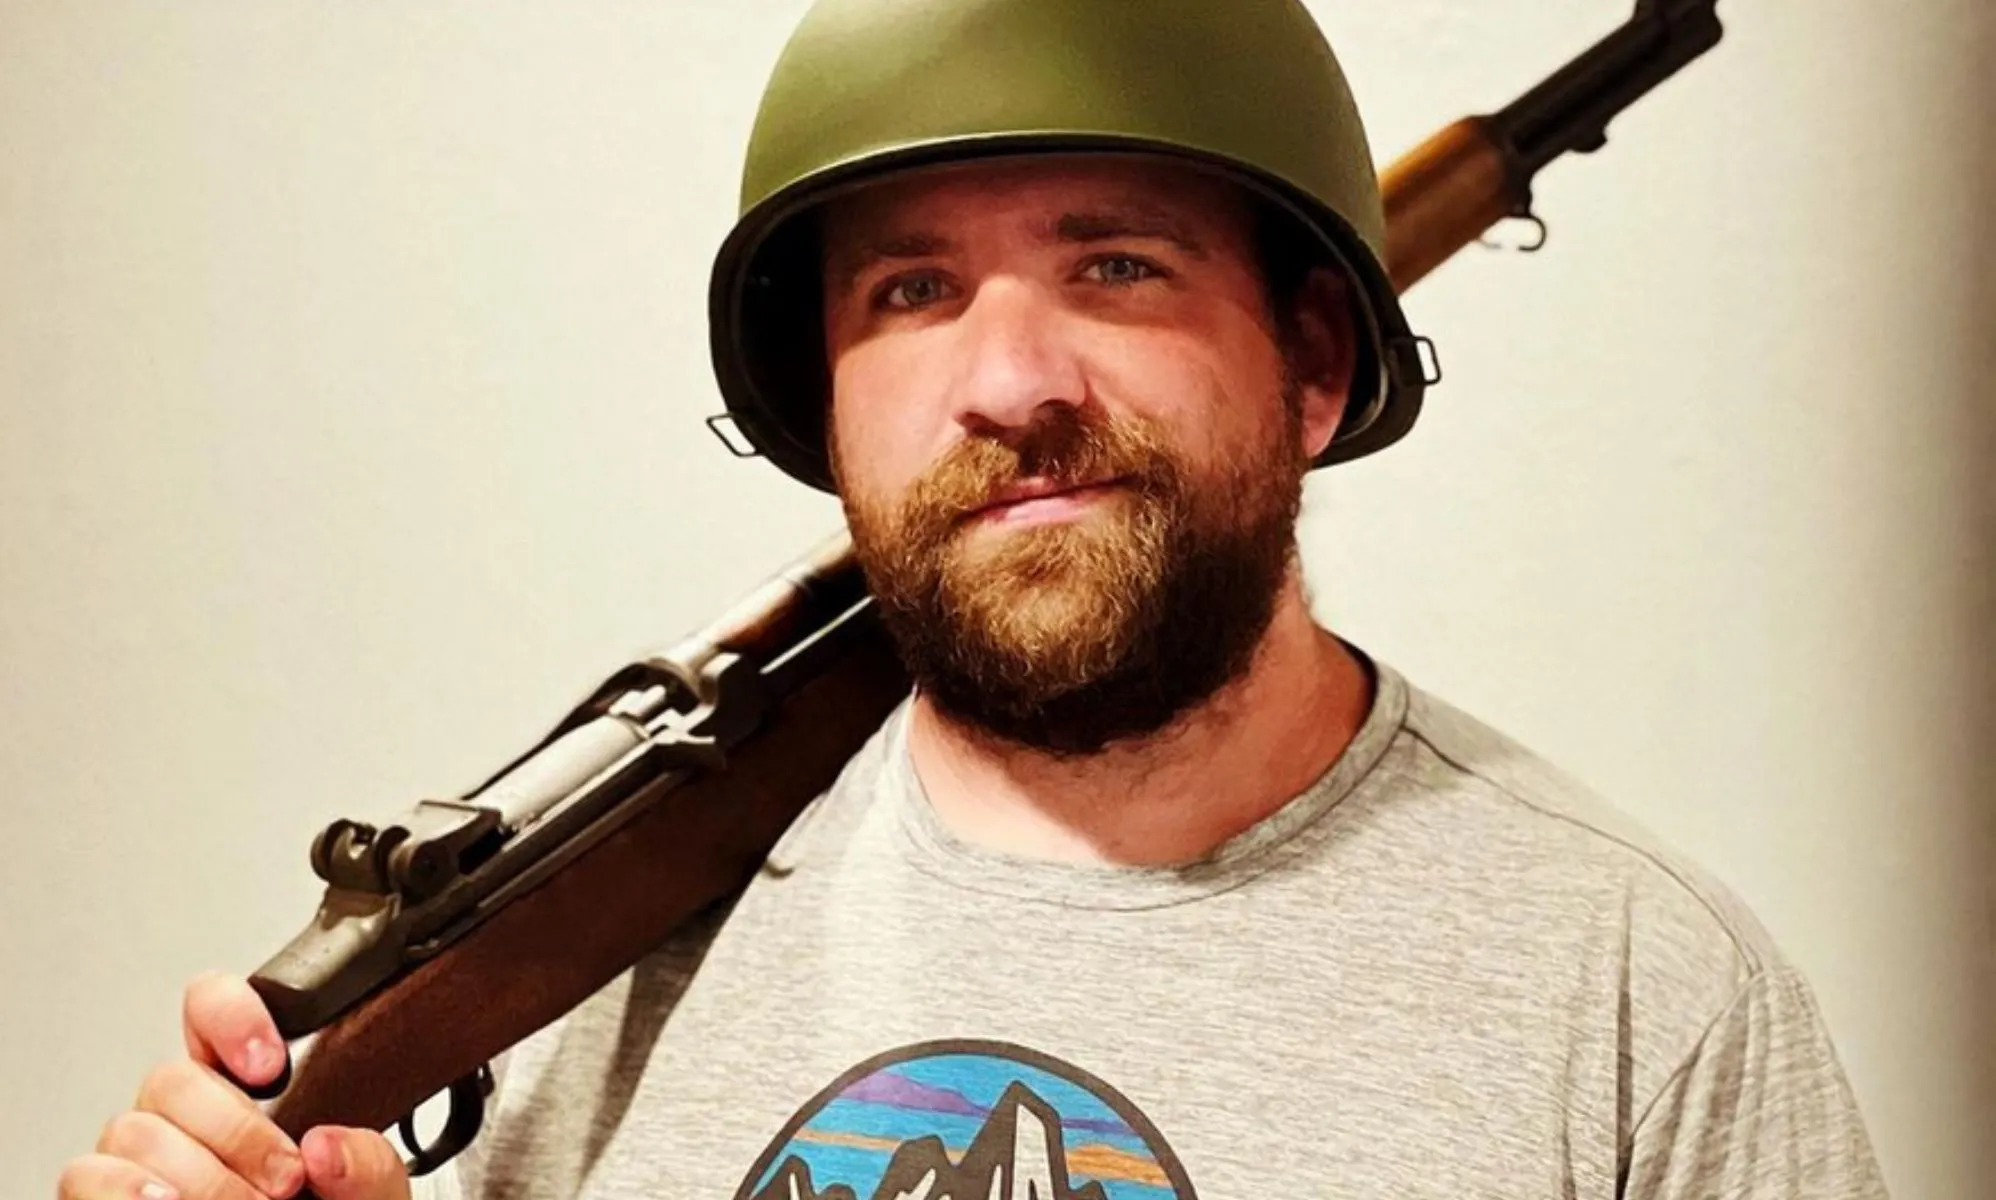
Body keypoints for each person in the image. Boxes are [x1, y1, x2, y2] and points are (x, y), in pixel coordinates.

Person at [59, 0, 1890, 1197]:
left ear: (1318, 364)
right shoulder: (564, 969)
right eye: (909, 293)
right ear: (820, 407)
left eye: (1116, 264)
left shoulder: (1642, 992)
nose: (1010, 382)